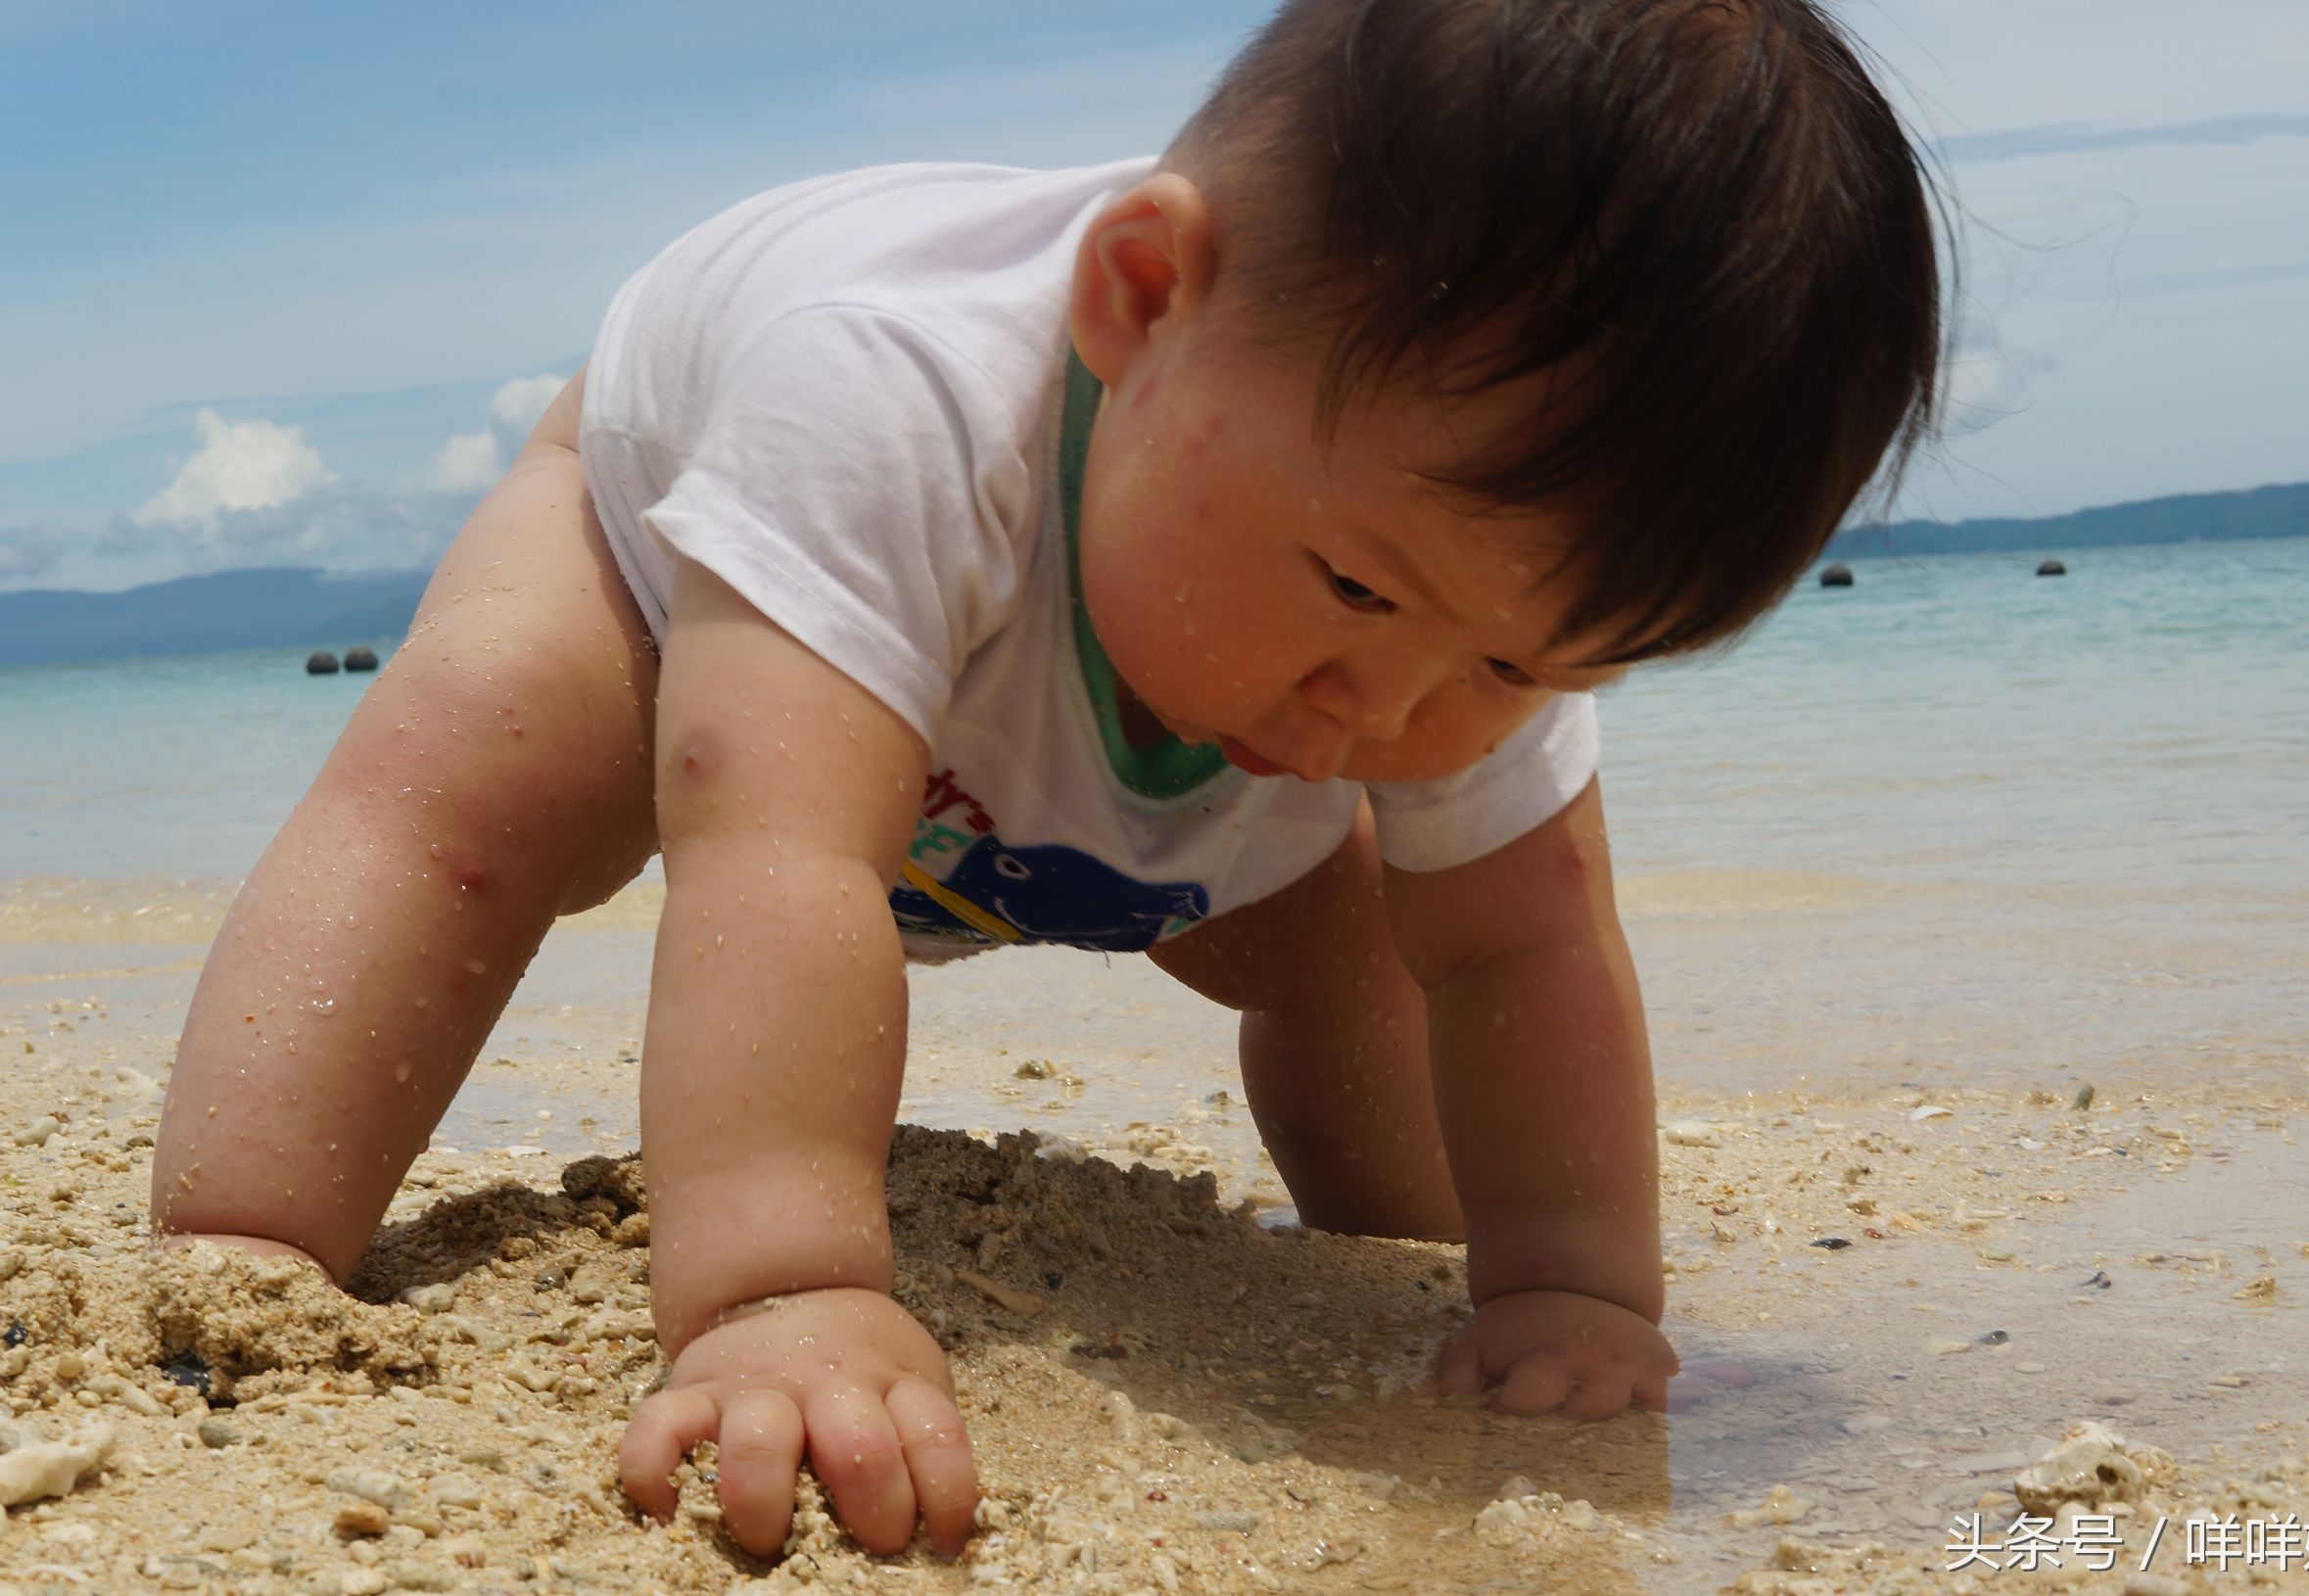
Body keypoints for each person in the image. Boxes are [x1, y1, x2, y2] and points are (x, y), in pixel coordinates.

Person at [150, 0, 1945, 1563]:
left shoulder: (1426, 587)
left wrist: (1571, 1284)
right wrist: (784, 1290)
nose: (1375, 715)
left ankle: (1389, 1245)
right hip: (681, 577)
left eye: (1525, 665)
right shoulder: (887, 397)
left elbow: (1528, 956)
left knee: (1386, 947)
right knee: (477, 767)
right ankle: (239, 1238)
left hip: (1098, 718)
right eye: (1355, 589)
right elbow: (778, 862)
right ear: (1141, 301)